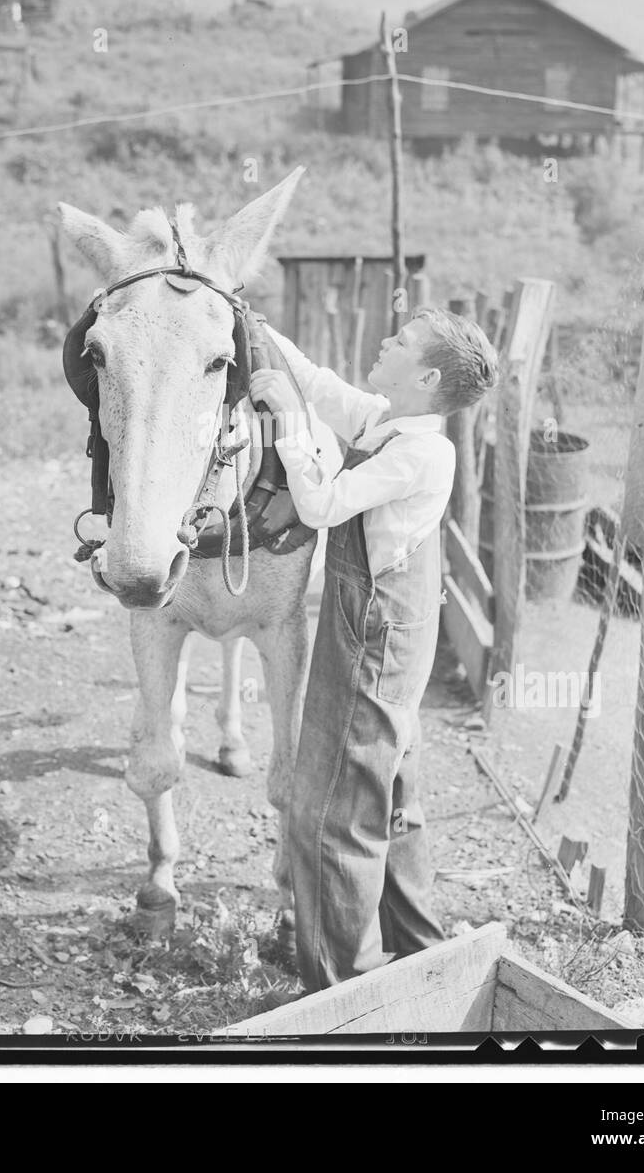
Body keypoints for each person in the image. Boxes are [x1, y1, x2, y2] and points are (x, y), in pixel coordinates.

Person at [249, 307, 499, 993]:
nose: (383, 342)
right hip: (392, 628)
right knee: (389, 792)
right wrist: (259, 328)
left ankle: (344, 990)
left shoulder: (419, 452)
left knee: (330, 807)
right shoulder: (393, 422)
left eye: (399, 341)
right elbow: (318, 381)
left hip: (372, 634)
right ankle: (416, 952)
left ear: (423, 376)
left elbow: (322, 505)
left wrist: (291, 426)